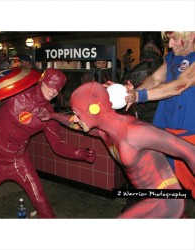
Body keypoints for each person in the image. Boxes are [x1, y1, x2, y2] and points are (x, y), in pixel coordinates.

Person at [39, 81, 195, 218]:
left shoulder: (134, 131)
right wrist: (53, 115)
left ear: (94, 110)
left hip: (165, 198)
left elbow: (188, 150)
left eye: (78, 114)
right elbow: (75, 124)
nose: (76, 118)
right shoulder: (103, 130)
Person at [0, 68, 96, 218]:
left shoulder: (47, 114)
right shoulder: (16, 93)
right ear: (42, 80)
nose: (54, 91)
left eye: (58, 88)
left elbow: (58, 146)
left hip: (18, 160)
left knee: (40, 199)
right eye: (51, 85)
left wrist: (80, 153)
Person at [125, 31, 195, 198]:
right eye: (168, 39)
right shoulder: (171, 58)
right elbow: (155, 79)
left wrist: (140, 96)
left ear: (191, 36)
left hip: (189, 133)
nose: (169, 45)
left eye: (174, 39)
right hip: (165, 131)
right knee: (165, 187)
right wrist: (130, 93)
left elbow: (180, 85)